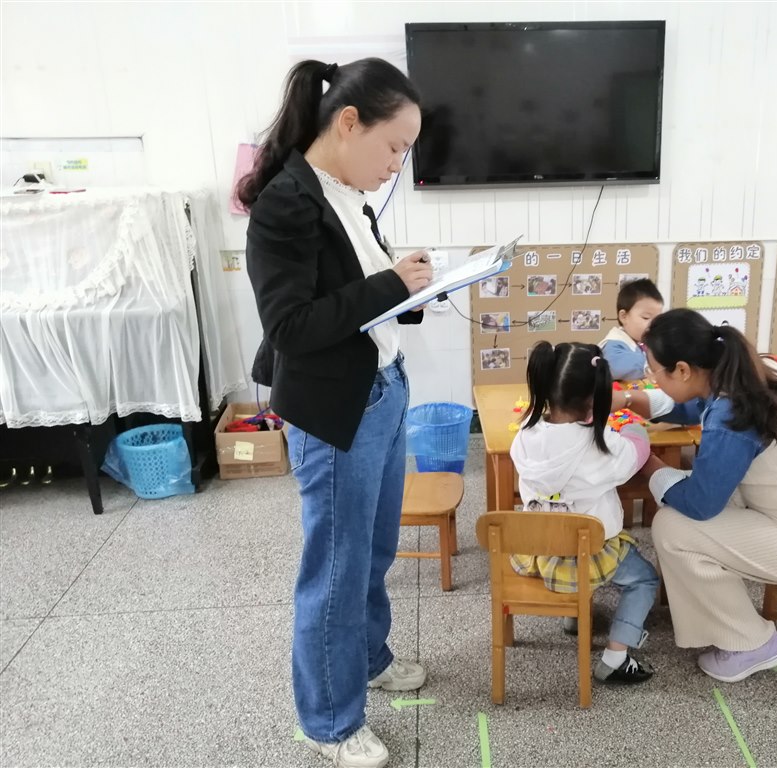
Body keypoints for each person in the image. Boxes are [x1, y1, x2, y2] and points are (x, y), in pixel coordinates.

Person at [238, 58, 435, 768]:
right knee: (335, 571)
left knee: (374, 551)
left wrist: (411, 286)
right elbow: (291, 326)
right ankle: (330, 722)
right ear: (349, 123)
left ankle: (371, 657)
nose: (397, 165)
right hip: (335, 408)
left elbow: (355, 296)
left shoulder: (348, 194)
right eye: (395, 147)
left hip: (383, 388)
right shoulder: (286, 202)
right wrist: (390, 284)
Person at [612, 309, 777, 683]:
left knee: (673, 526)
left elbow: (701, 504)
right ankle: (729, 623)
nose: (652, 378)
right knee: (692, 499)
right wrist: (627, 401)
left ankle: (753, 643)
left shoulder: (730, 415)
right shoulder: (755, 372)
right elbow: (695, 405)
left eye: (655, 371)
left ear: (683, 370)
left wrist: (645, 458)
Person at [510, 342, 660, 683]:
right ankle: (616, 658)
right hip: (588, 552)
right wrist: (632, 427)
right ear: (595, 401)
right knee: (644, 578)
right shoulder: (600, 444)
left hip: (540, 549)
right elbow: (638, 451)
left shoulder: (525, 434)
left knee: (568, 527)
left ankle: (574, 616)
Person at [599, 278, 664, 381]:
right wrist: (655, 366)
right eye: (646, 318)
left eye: (657, 319)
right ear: (624, 317)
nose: (653, 324)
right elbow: (616, 366)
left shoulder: (640, 342)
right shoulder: (614, 343)